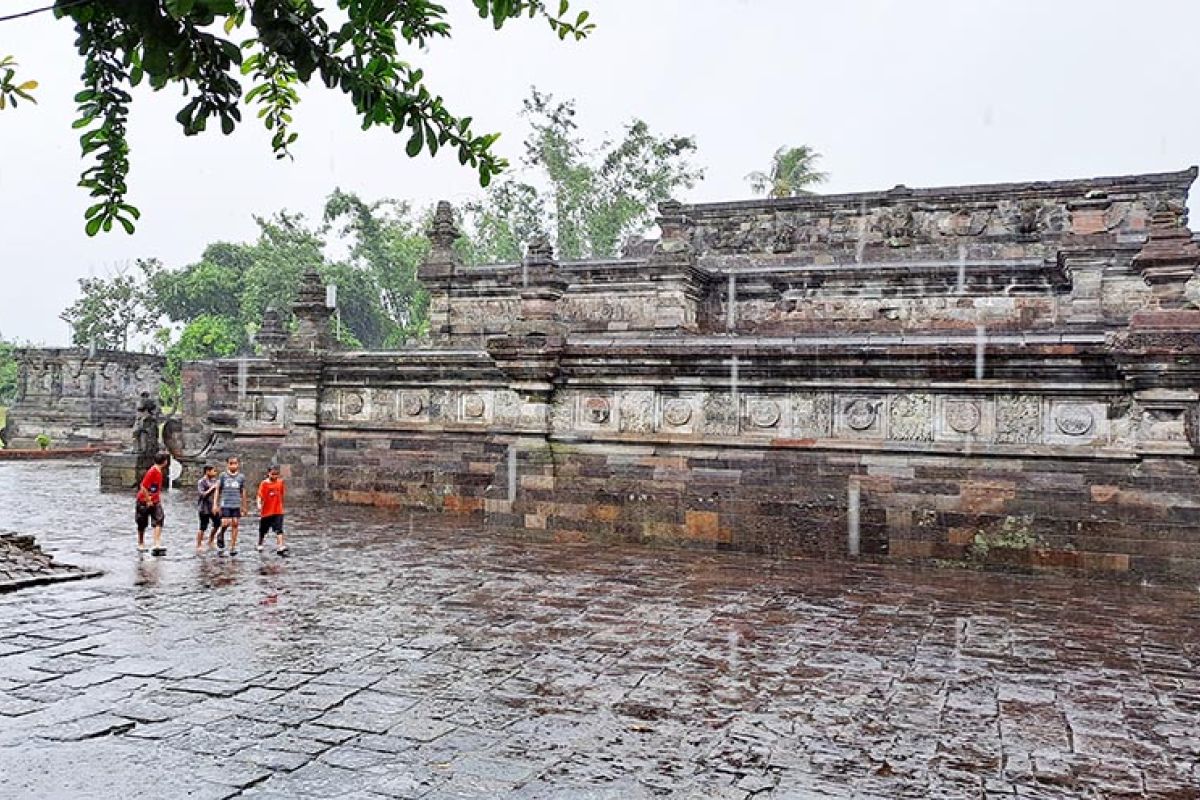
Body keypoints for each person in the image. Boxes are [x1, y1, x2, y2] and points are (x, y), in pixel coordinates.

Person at [135, 452, 170, 555]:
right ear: (165, 462)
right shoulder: (152, 471)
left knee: (159, 519)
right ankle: (141, 543)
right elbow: (143, 486)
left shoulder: (159, 471)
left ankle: (156, 543)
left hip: (155, 500)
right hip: (144, 501)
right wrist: (148, 500)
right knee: (142, 523)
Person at [214, 456, 247, 556]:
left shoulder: (241, 477)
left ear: (238, 464)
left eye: (235, 463)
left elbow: (243, 492)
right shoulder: (223, 476)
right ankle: (221, 533)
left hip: (236, 503)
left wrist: (244, 505)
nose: (233, 466)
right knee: (225, 523)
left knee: (235, 523)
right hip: (225, 503)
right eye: (231, 463)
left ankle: (232, 546)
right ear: (227, 464)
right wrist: (215, 504)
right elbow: (217, 489)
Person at [256, 464, 289, 556]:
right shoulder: (264, 483)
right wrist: (259, 504)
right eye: (272, 474)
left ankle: (280, 545)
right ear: (268, 473)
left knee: (279, 529)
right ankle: (260, 543)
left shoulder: (280, 482)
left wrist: (280, 504)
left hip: (278, 510)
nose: (274, 476)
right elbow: (259, 495)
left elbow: (281, 494)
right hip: (266, 511)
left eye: (276, 474)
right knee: (263, 530)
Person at [195, 465, 221, 554]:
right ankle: (198, 544)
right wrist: (212, 488)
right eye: (213, 471)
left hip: (212, 507)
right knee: (203, 527)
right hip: (203, 508)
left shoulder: (215, 481)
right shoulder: (201, 482)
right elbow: (202, 495)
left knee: (217, 523)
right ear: (207, 471)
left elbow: (217, 493)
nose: (215, 473)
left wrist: (216, 505)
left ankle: (211, 539)